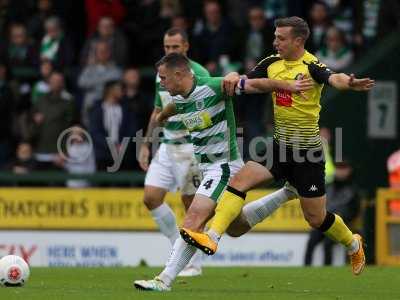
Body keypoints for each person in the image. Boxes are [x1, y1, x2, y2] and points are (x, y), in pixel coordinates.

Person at [180, 17, 374, 277]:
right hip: (279, 146)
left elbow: (334, 77)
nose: (275, 42)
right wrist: (234, 75)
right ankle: (212, 237)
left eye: (281, 38)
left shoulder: (311, 66)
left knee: (316, 219)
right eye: (275, 36)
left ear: (298, 40)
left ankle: (353, 243)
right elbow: (246, 82)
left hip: (308, 155)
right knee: (239, 181)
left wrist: (348, 83)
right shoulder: (271, 63)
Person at [133, 52, 314, 291]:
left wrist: (288, 85)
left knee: (193, 219)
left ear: (179, 75)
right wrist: (161, 119)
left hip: (225, 166)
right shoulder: (179, 100)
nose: (162, 84)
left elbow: (258, 84)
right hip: (207, 168)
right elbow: (166, 111)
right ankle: (287, 193)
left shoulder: (215, 86)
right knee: (236, 227)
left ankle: (163, 280)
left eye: (164, 78)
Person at [137, 28, 210, 277]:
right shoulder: (161, 75)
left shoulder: (199, 74)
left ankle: (194, 262)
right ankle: (176, 248)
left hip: (191, 145)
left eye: (175, 47)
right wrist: (147, 144)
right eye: (167, 47)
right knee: (151, 197)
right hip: (167, 145)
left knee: (191, 205)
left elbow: (207, 113)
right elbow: (157, 112)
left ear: (186, 47)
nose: (170, 51)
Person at [304, 160, 360, 265]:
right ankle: (306, 268)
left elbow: (355, 211)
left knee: (327, 243)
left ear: (349, 170)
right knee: (311, 240)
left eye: (343, 169)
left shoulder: (353, 189)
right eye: (338, 168)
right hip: (324, 221)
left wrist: (343, 217)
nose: (340, 172)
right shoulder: (328, 186)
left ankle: (327, 270)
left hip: (342, 225)